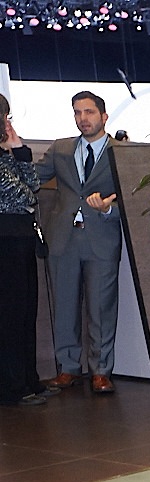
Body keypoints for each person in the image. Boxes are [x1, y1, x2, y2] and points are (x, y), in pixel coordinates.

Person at [37, 90, 122, 394]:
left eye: (89, 112)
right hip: (63, 239)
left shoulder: (120, 153)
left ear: (104, 116)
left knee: (102, 307)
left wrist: (109, 209)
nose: (82, 118)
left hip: (102, 238)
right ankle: (68, 368)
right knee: (64, 306)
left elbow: (135, 199)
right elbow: (32, 178)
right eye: (77, 112)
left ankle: (101, 371)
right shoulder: (60, 149)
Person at [0, 93, 48, 406]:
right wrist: (25, 183)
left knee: (26, 311)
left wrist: (20, 151)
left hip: (20, 238)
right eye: (4, 117)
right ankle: (13, 386)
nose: (8, 124)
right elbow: (23, 195)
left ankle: (29, 379)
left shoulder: (6, 154)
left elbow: (34, 185)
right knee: (11, 315)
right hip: (5, 241)